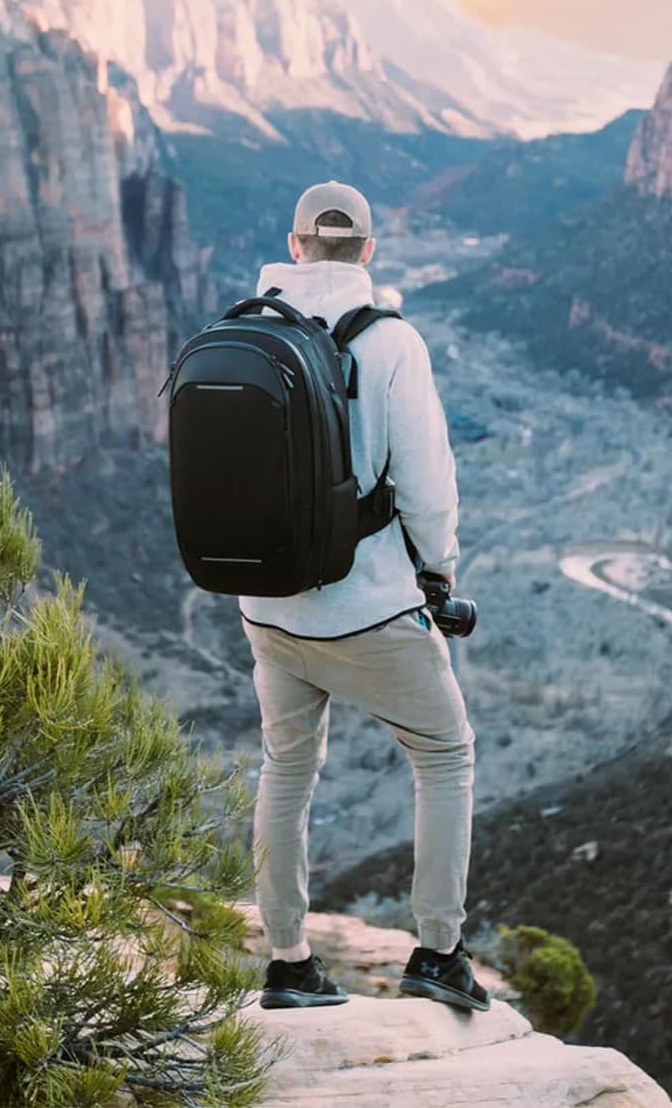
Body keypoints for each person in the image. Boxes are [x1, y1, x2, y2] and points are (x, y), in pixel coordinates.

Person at [242, 180, 487, 1014]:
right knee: (445, 754)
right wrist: (440, 572)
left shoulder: (247, 327)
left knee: (286, 768)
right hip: (369, 609)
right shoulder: (390, 343)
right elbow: (427, 483)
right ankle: (438, 949)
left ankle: (287, 962)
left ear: (295, 243)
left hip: (266, 606)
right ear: (369, 253)